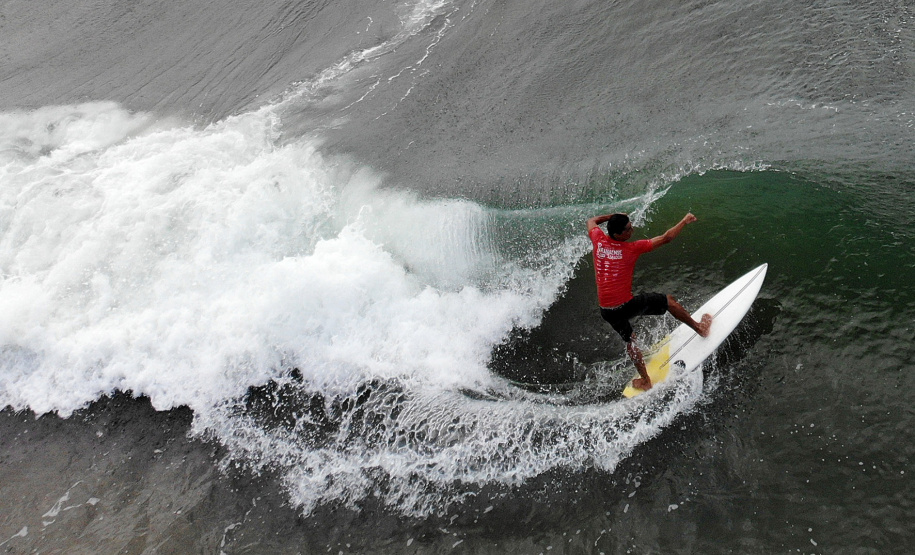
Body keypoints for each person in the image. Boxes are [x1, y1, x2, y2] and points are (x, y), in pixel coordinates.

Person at [586, 212, 712, 390]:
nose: (632, 229)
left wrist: (613, 217)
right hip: (625, 306)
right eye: (628, 229)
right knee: (668, 301)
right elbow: (667, 238)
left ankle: (645, 380)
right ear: (618, 235)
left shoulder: (598, 239)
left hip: (606, 310)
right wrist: (684, 220)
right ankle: (700, 328)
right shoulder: (631, 248)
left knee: (630, 340)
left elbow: (591, 221)